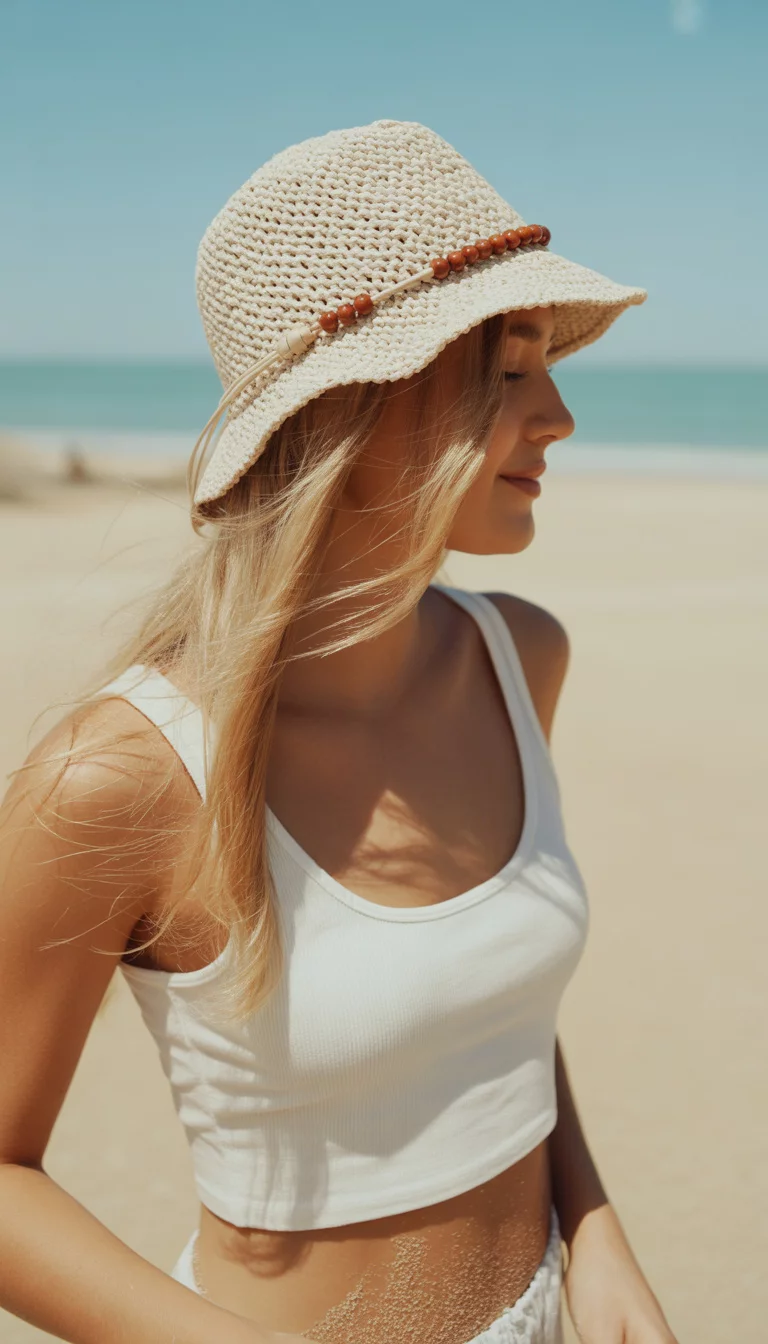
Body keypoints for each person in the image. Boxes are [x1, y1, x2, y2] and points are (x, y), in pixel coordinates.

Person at [0, 119, 678, 1344]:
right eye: (510, 368)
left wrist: (596, 1232)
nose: (562, 414)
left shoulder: (521, 660)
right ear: (348, 408)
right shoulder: (121, 777)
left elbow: (489, 1013)